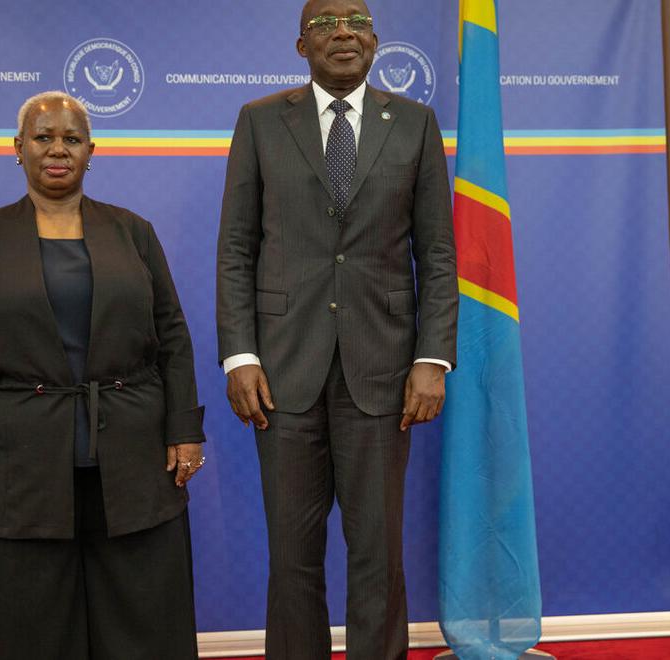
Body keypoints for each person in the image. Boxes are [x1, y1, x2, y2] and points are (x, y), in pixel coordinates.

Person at [0, 91, 206, 659]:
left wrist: (184, 430)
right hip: (16, 461)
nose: (58, 149)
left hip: (132, 456)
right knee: (26, 623)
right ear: (18, 148)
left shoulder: (134, 232)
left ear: (90, 151)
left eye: (72, 139)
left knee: (142, 615)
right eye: (44, 137)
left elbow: (172, 336)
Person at [215, 0, 458, 657]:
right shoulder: (261, 121)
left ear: (374, 39)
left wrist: (432, 358)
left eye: (357, 21)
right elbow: (236, 247)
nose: (344, 32)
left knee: (378, 551)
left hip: (384, 372)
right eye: (325, 23)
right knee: (291, 553)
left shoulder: (415, 124)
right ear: (301, 45)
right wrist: (239, 355)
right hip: (280, 373)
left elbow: (438, 254)